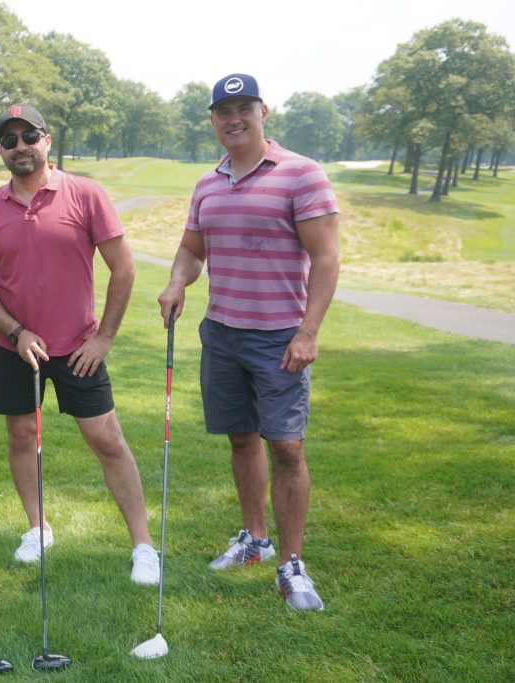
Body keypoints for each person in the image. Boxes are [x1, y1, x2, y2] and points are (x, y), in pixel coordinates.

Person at [157, 74, 340, 610]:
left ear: (264, 111)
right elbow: (192, 250)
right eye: (223, 111)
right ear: (213, 119)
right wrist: (177, 282)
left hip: (280, 336)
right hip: (222, 333)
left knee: (286, 446)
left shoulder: (301, 174)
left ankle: (292, 564)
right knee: (241, 439)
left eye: (244, 108)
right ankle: (255, 540)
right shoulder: (208, 183)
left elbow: (326, 258)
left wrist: (308, 332)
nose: (234, 119)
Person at [0, 103, 160, 585]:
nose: (20, 147)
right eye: (9, 140)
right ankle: (38, 528)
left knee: (107, 440)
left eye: (29, 136)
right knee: (21, 437)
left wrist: (104, 337)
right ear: (0, 150)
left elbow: (124, 269)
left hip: (77, 348)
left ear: (47, 141)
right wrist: (16, 332)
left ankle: (143, 546)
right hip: (13, 348)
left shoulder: (86, 195)